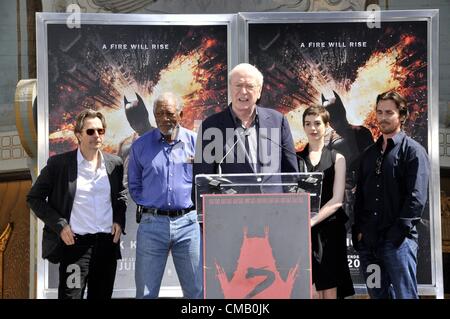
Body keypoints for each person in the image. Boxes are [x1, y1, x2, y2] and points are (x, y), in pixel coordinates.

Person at [27, 109, 127, 299]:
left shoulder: (115, 163)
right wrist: (60, 225)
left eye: (100, 131)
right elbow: (34, 198)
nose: (96, 135)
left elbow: (121, 195)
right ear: (78, 135)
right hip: (75, 247)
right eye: (90, 131)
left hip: (106, 246)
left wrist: (118, 220)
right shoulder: (59, 164)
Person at [352, 91, 430, 299]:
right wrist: (359, 233)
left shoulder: (413, 151)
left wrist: (396, 235)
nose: (383, 117)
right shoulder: (369, 154)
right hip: (369, 245)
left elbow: (416, 198)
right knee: (377, 295)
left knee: (405, 296)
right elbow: (360, 196)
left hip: (398, 244)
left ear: (401, 115)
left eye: (389, 112)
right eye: (379, 112)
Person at [128, 92, 202, 299]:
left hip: (188, 224)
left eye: (169, 113)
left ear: (180, 114)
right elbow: (134, 185)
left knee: (196, 292)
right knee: (145, 293)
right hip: (152, 225)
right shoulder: (140, 146)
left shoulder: (196, 143)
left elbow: (204, 181)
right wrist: (151, 204)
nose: (163, 118)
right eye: (158, 113)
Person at [193, 62, 298, 178]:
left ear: (259, 91)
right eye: (238, 85)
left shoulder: (277, 121)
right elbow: (202, 180)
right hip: (231, 196)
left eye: (249, 86)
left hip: (273, 196)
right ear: (230, 89)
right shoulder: (211, 126)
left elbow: (292, 175)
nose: (243, 92)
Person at [297, 105, 354, 299]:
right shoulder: (295, 160)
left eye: (317, 123)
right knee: (308, 288)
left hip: (329, 230)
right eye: (308, 124)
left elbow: (337, 200)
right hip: (303, 233)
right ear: (303, 127)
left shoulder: (337, 158)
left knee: (330, 288)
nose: (313, 128)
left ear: (327, 126)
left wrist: (311, 221)